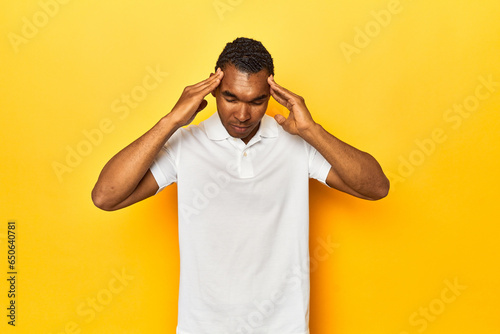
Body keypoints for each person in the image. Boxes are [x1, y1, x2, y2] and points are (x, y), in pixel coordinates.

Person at [92, 37, 389, 334]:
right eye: (231, 98)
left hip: (284, 327)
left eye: (257, 101)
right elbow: (106, 196)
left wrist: (312, 131)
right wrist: (170, 121)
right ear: (214, 88)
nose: (243, 115)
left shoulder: (296, 143)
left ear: (271, 93)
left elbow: (376, 187)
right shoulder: (186, 144)